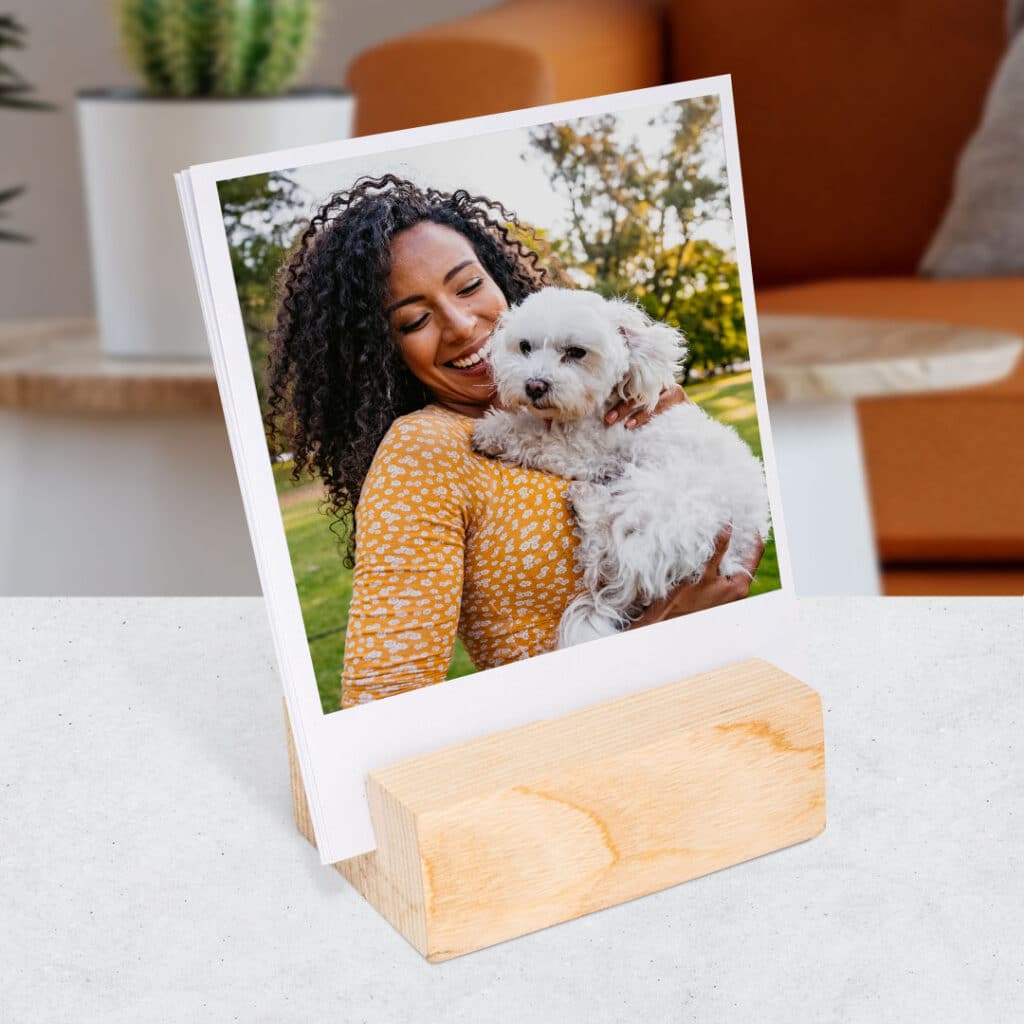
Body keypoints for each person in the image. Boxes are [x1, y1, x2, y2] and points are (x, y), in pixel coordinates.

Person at [266, 175, 763, 709]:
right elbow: (387, 703)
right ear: (381, 350)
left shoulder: (615, 401)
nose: (460, 324)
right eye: (414, 319)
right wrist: (652, 642)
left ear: (499, 277)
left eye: (469, 286)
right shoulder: (423, 451)